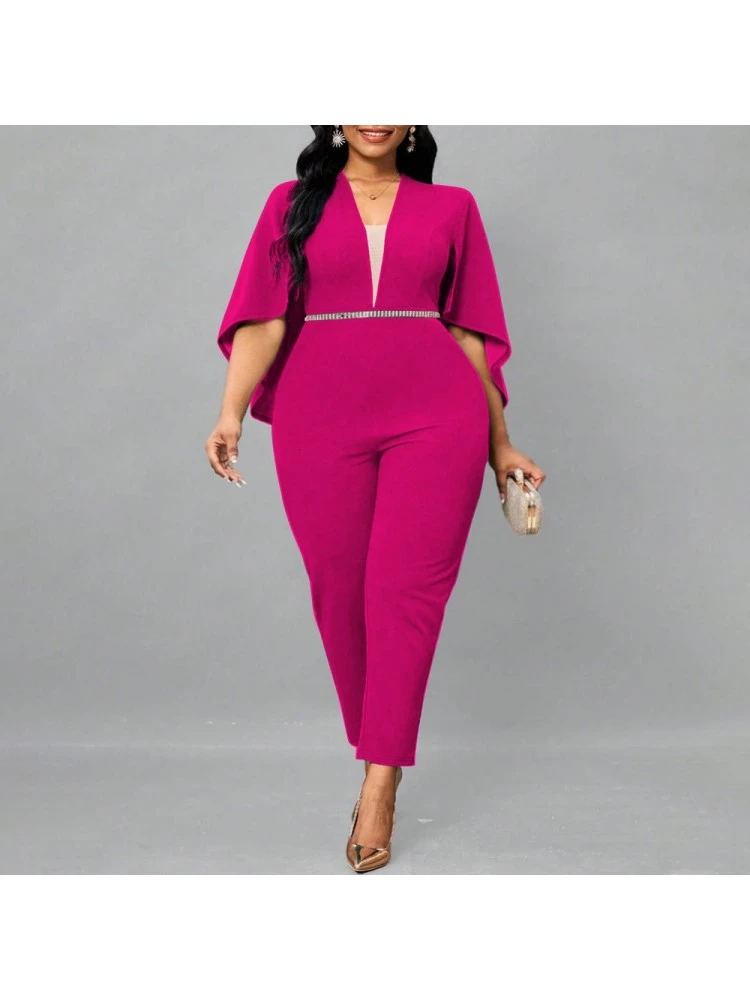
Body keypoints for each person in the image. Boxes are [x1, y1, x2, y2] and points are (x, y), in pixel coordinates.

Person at [205, 125, 546, 873]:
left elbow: (468, 334)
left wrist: (500, 444)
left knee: (406, 593)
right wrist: (231, 413)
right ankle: (377, 743)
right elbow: (265, 318)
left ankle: (380, 782)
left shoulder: (452, 207)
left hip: (438, 413)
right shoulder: (290, 202)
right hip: (317, 413)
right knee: (339, 590)